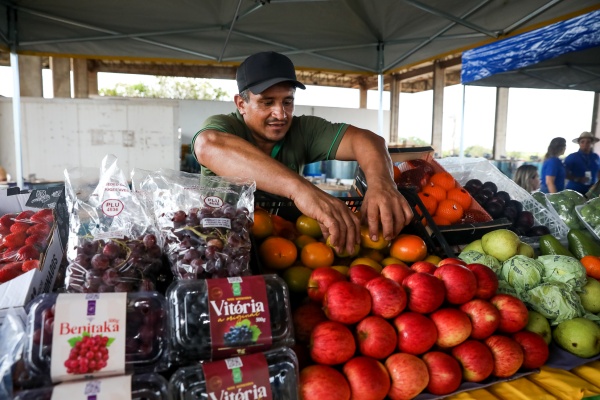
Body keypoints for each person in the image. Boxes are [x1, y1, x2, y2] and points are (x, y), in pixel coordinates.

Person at [192, 51, 413, 255]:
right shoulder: (225, 127)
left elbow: (368, 140)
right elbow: (207, 145)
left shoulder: (303, 130)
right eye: (267, 103)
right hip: (223, 247)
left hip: (286, 247)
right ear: (241, 104)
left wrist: (381, 183)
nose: (280, 114)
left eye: (287, 101)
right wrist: (300, 189)